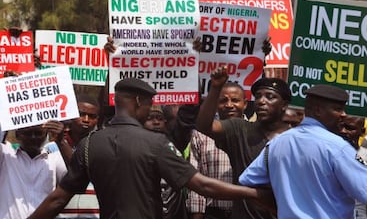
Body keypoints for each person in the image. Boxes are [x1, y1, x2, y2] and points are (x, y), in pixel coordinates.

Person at [28, 78, 270, 219]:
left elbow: (58, 199)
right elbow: (202, 185)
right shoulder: (155, 143)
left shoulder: (90, 144)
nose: (150, 109)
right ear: (137, 102)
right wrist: (252, 194)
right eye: (149, 103)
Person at [239, 84, 367, 218]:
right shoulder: (336, 148)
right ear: (318, 110)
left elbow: (247, 182)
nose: (343, 114)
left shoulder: (278, 143)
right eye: (337, 109)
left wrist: (282, 206)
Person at [196, 66, 291, 219]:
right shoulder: (240, 129)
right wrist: (215, 87)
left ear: (284, 105)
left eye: (270, 97)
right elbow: (204, 126)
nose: (261, 101)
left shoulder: (296, 138)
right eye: (258, 96)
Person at [188, 81, 247, 219]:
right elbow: (195, 177)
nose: (229, 105)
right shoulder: (200, 135)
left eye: (235, 100)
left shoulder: (254, 133)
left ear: (245, 104)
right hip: (213, 213)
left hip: (246, 212)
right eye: (223, 100)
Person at [0, 121, 67, 219]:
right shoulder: (5, 155)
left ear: (46, 135)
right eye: (27, 133)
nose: (33, 137)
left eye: (38, 133)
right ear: (17, 135)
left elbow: (76, 177)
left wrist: (60, 141)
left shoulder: (54, 157)